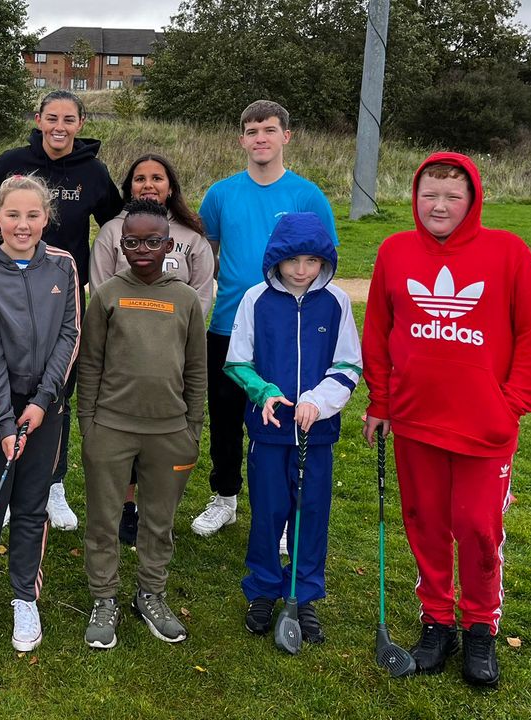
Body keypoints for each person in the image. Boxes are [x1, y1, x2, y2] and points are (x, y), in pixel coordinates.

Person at [362, 153, 531, 686]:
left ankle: (479, 629)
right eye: (429, 195)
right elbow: (378, 330)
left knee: (477, 529)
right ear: (414, 197)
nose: (438, 206)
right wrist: (380, 401)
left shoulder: (507, 252)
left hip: (483, 427)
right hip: (415, 419)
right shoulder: (394, 250)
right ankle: (438, 621)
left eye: (452, 196)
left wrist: (511, 403)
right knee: (424, 523)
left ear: (472, 200)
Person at [0, 90, 122, 530]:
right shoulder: (13, 162)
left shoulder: (93, 172)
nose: (59, 127)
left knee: (57, 387)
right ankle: (2, 478)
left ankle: (53, 483)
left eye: (69, 119)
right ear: (39, 118)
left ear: (81, 123)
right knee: (0, 380)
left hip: (61, 294)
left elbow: (118, 223)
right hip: (7, 292)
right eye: (52, 118)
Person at [193, 99, 338, 540]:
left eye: (269, 130)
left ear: (285, 137)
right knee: (224, 416)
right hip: (226, 324)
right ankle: (225, 497)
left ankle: (280, 512)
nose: (261, 138)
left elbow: (325, 258)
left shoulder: (306, 195)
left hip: (283, 331)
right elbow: (208, 253)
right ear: (242, 139)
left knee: (281, 416)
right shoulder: (221, 193)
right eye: (252, 131)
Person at [0, 174, 80, 654]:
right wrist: (5, 420)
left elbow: (70, 336)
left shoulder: (64, 266)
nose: (22, 225)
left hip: (45, 406)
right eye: (12, 215)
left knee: (32, 506)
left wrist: (42, 403)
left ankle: (25, 596)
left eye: (32, 215)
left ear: (46, 217)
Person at [224, 213, 361, 644]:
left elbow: (348, 364)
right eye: (293, 260)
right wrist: (263, 392)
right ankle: (263, 589)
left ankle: (302, 596)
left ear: (325, 261)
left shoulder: (337, 301)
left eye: (312, 261)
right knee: (267, 511)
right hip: (268, 433)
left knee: (311, 514)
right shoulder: (255, 300)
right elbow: (237, 361)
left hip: (316, 435)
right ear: (277, 259)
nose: (302, 270)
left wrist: (317, 402)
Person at [78, 199, 207, 649]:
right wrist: (89, 425)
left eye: (153, 241)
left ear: (169, 244)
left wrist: (192, 427)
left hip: (171, 433)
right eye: (132, 242)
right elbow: (90, 365)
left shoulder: (186, 299)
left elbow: (196, 370)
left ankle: (150, 593)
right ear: (122, 244)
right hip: (111, 429)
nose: (142, 249)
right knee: (104, 520)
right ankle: (104, 597)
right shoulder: (109, 294)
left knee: (158, 521)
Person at [90, 153, 214, 545]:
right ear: (128, 187)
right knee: (122, 424)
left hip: (172, 351)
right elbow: (101, 286)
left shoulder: (192, 236)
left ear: (170, 186)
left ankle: (154, 507)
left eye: (157, 177)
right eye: (139, 178)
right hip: (122, 349)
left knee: (161, 429)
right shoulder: (111, 231)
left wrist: (170, 333)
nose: (148, 184)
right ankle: (127, 505)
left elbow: (201, 294)